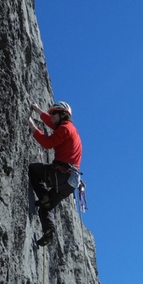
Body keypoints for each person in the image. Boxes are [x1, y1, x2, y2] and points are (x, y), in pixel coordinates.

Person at [28, 101, 83, 246]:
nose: (51, 116)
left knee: (34, 170)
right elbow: (50, 122)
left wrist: (31, 125)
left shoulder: (65, 129)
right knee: (47, 205)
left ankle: (44, 196)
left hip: (60, 175)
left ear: (62, 115)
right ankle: (48, 231)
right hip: (69, 184)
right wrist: (37, 110)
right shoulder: (68, 128)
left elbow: (47, 143)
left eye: (54, 113)